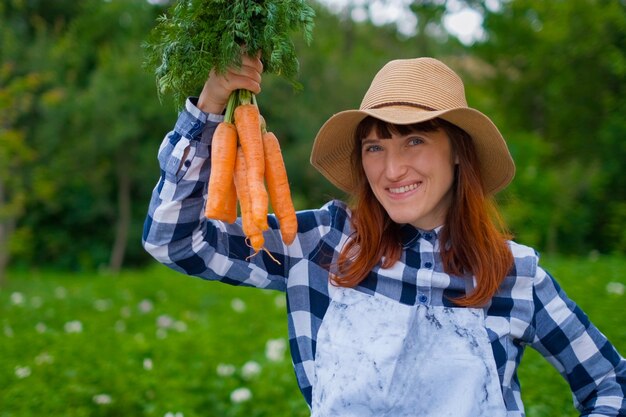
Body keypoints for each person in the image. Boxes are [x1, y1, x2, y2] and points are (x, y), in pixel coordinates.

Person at [142, 54, 626, 416]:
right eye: (375, 146)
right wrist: (209, 111)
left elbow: (610, 383)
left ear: (458, 151)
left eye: (415, 139)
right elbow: (176, 239)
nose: (392, 169)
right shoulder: (324, 244)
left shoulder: (514, 273)